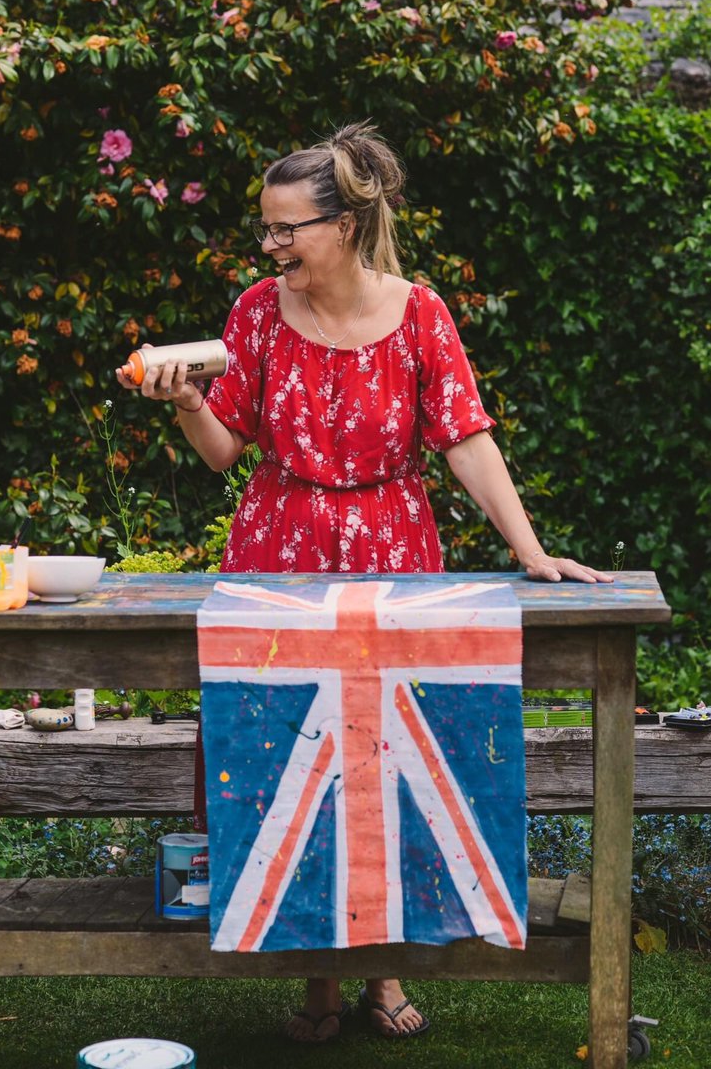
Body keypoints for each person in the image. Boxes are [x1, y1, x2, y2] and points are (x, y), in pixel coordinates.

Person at [116, 121, 612, 1043]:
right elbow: (225, 451)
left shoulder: (420, 312)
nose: (270, 247)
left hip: (393, 553)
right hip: (278, 552)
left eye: (285, 229)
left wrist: (532, 552)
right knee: (279, 760)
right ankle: (311, 977)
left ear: (342, 225)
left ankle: (381, 975)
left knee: (383, 759)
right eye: (264, 231)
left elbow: (467, 438)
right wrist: (186, 401)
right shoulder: (256, 314)